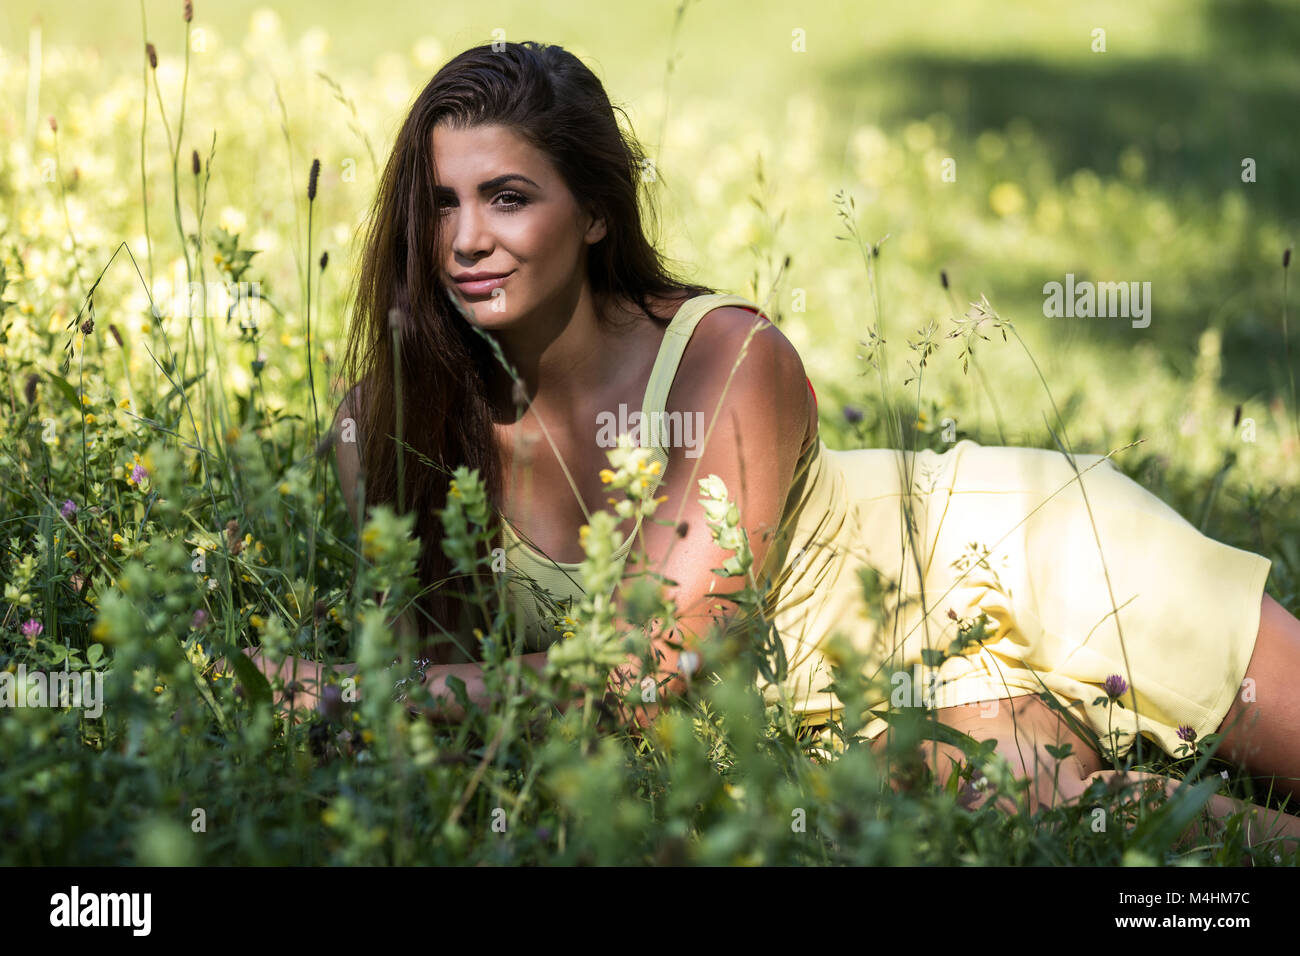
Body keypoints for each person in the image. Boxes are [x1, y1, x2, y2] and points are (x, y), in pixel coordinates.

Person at [242, 40, 1300, 848]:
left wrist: (330, 686)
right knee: (1082, 807)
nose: (467, 239)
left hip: (1040, 557)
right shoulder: (386, 425)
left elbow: (643, 670)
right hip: (868, 710)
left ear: (596, 214)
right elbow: (463, 705)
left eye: (508, 197)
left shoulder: (725, 359)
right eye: (440, 205)